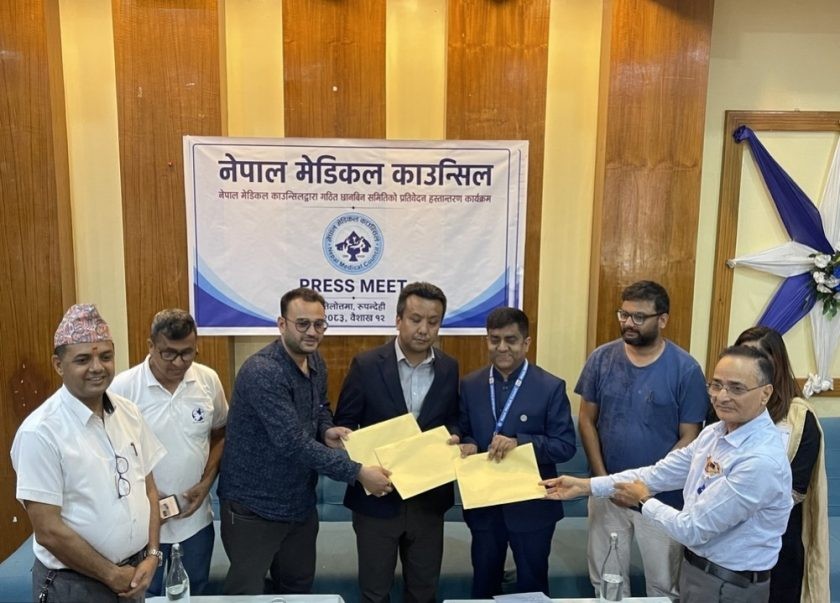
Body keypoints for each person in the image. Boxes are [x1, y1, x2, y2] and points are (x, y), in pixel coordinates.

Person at [543, 345, 793, 603]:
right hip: (697, 571)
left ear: (765, 393)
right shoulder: (714, 433)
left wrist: (643, 501)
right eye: (716, 385)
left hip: (729, 585)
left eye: (736, 388)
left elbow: (693, 528)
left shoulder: (760, 460)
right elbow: (659, 474)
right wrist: (587, 486)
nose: (722, 396)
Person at [217, 287, 391, 595]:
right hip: (254, 508)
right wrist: (357, 472)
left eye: (319, 324)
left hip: (299, 505)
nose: (312, 332)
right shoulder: (263, 371)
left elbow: (320, 407)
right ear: (281, 324)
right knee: (246, 594)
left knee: (297, 590)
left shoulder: (316, 362)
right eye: (302, 324)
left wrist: (326, 430)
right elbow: (292, 442)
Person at [11, 304, 166, 603]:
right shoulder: (40, 432)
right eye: (83, 359)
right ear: (58, 365)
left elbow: (149, 489)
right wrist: (111, 575)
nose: (97, 367)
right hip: (74, 587)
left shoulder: (128, 412)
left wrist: (152, 555)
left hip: (133, 576)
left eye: (105, 357)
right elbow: (48, 530)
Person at [576, 280, 708, 599]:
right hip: (607, 491)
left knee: (663, 585)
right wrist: (604, 480)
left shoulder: (686, 369)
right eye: (623, 314)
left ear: (662, 319)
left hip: (661, 497)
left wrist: (644, 487)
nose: (628, 323)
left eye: (638, 317)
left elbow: (690, 436)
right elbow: (586, 420)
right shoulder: (601, 359)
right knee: (606, 581)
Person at [334, 281, 460, 603]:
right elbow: (344, 426)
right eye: (416, 319)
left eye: (433, 321)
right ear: (398, 319)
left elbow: (455, 419)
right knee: (375, 593)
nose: (424, 329)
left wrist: (457, 436)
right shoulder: (366, 365)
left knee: (423, 592)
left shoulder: (449, 368)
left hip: (428, 500)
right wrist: (362, 469)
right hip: (377, 500)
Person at [458, 307, 576, 596]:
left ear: (526, 343)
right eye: (494, 339)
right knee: (483, 586)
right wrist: (467, 442)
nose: (502, 347)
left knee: (532, 588)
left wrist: (521, 442)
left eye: (510, 340)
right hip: (485, 505)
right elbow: (464, 430)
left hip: (532, 507)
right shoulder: (470, 385)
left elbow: (565, 446)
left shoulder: (550, 387)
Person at [109, 309, 228, 596]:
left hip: (195, 522)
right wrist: (145, 495)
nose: (178, 363)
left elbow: (221, 433)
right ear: (151, 346)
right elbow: (107, 453)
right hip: (139, 525)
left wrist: (206, 483)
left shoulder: (208, 380)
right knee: (143, 595)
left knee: (193, 593)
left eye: (187, 353)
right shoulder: (122, 388)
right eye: (169, 354)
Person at [732, 327, 828, 603]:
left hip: (777, 541)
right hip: (724, 536)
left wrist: (739, 502)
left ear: (777, 364)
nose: (750, 364)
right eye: (744, 355)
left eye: (759, 357)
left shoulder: (799, 418)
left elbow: (795, 490)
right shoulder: (724, 410)